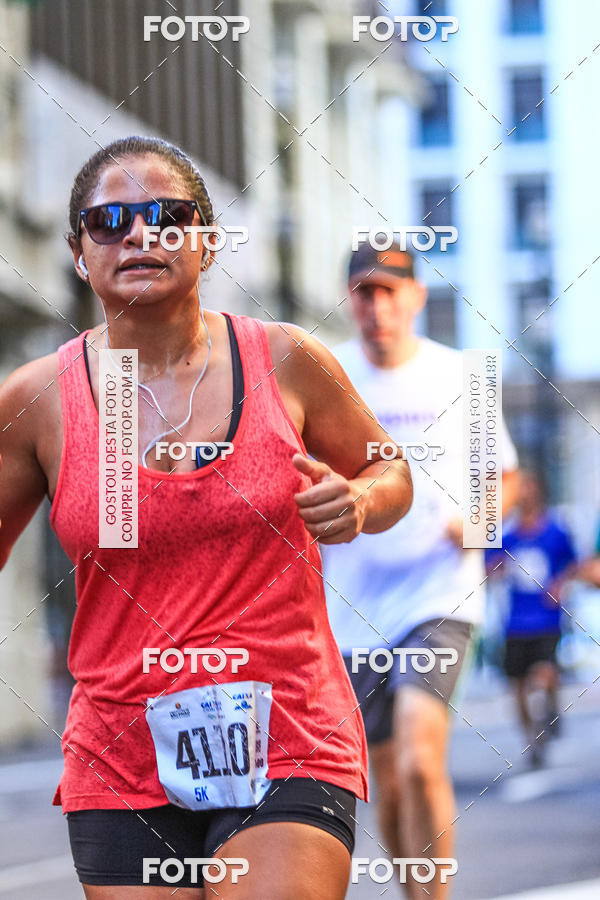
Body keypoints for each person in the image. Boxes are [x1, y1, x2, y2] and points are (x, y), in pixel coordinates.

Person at [0, 136, 414, 899]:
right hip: (121, 747)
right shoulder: (38, 401)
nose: (138, 235)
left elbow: (390, 468)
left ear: (208, 241)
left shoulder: (288, 359)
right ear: (77, 251)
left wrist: (360, 500)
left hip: (285, 725)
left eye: (167, 215)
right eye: (109, 221)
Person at [322, 241, 519, 900]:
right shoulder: (326, 373)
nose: (376, 306)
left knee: (418, 752)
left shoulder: (463, 374)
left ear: (416, 297)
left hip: (439, 592)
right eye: (364, 292)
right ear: (348, 299)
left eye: (389, 291)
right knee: (389, 774)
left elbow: (506, 478)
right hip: (350, 605)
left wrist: (480, 525)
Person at [486, 470, 577, 766]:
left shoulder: (555, 532)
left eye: (528, 487)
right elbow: (487, 568)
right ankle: (533, 739)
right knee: (517, 687)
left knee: (543, 673)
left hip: (546, 618)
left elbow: (574, 564)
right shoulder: (508, 537)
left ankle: (550, 703)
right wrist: (495, 569)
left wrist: (560, 584)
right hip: (515, 622)